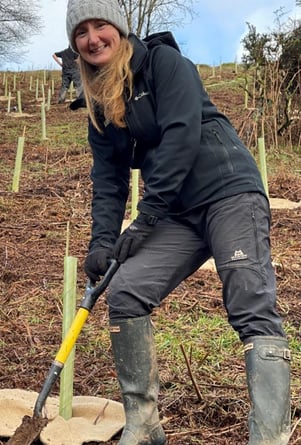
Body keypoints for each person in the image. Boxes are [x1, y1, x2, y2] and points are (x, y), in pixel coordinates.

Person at [65, 1, 291, 444]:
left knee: (249, 299)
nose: (93, 38)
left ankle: (269, 436)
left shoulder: (165, 63)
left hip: (228, 190)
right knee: (127, 291)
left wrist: (146, 217)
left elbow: (182, 134)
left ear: (121, 29)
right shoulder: (97, 103)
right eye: (82, 31)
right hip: (178, 212)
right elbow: (108, 179)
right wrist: (102, 242)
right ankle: (144, 426)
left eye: (101, 25)